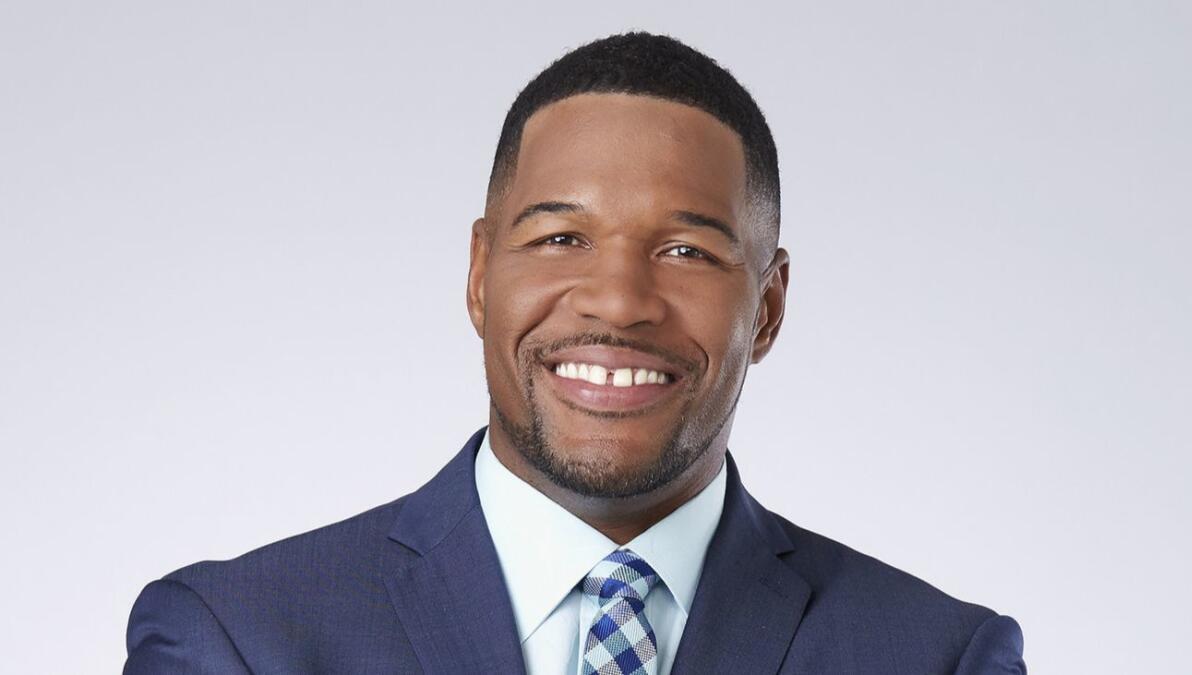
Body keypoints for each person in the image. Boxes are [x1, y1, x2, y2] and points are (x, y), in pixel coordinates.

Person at [123, 31, 1026, 674]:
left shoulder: (938, 655)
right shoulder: (238, 639)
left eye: (686, 251)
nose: (619, 302)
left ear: (769, 307)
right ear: (481, 275)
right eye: (560, 238)